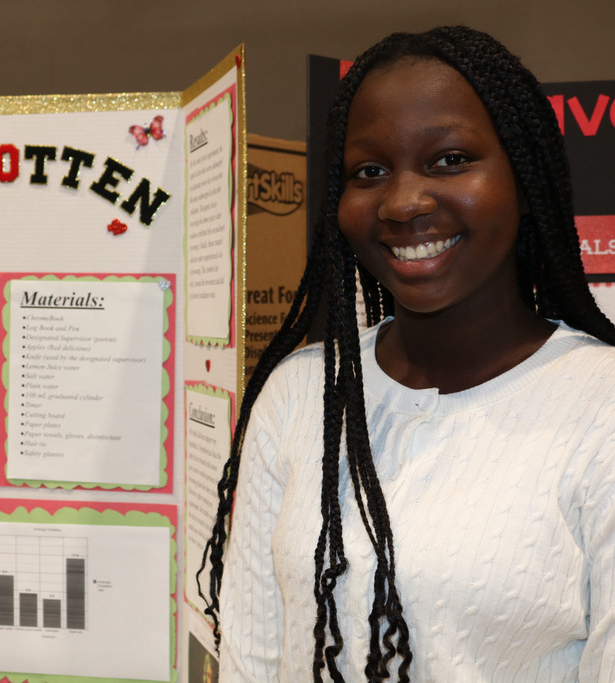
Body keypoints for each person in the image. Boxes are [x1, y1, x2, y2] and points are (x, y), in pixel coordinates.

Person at [200, 25, 615, 682]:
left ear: (526, 174)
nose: (403, 202)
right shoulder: (301, 391)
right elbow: (252, 659)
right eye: (370, 171)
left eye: (450, 159)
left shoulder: (601, 405)